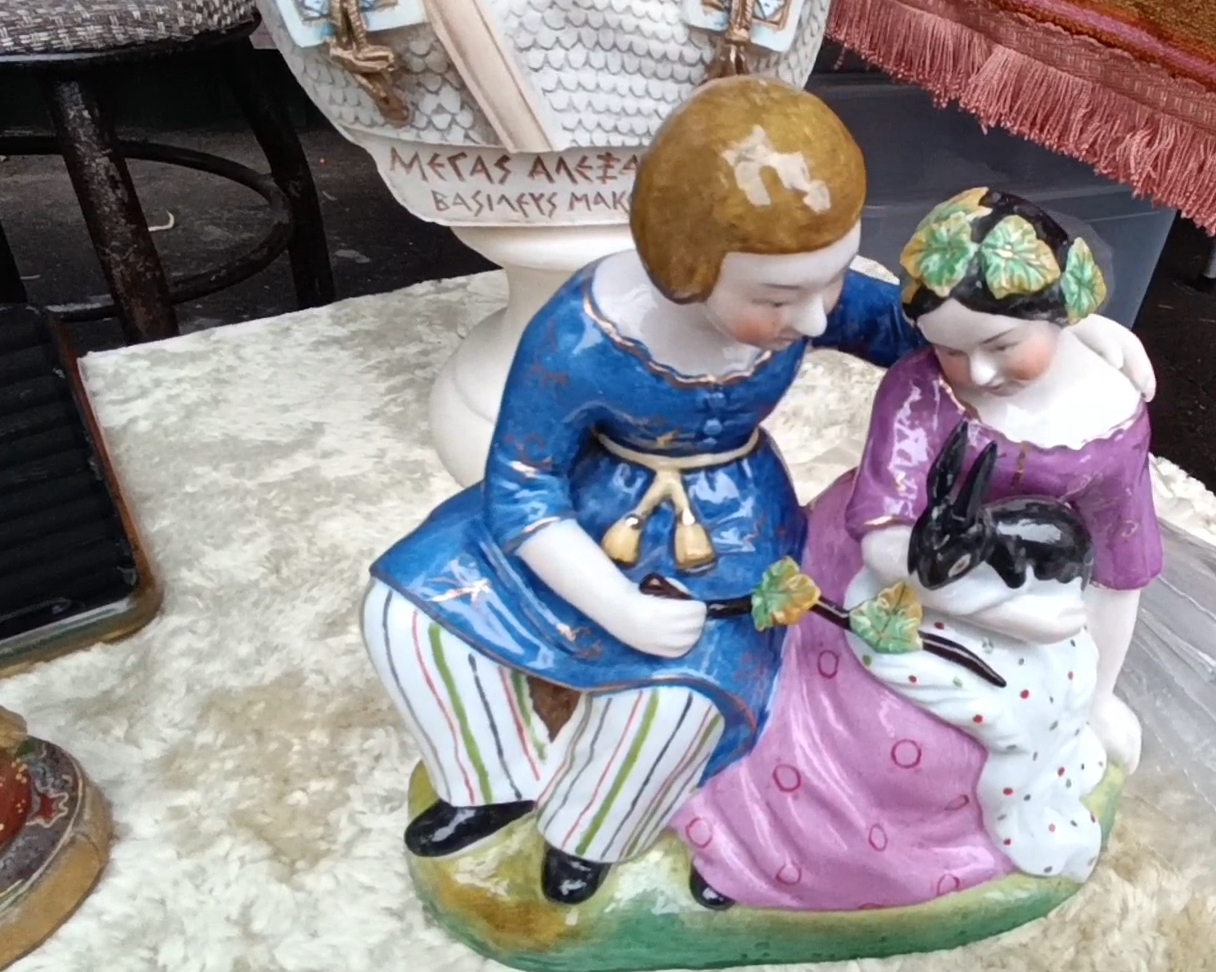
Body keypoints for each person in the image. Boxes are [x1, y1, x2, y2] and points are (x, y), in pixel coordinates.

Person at [359, 85, 1157, 909]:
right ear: (684, 267)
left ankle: (590, 835)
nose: (814, 320)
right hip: (586, 510)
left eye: (833, 281)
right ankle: (491, 779)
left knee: (678, 702)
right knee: (406, 611)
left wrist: (1062, 331)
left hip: (729, 529)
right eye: (776, 300)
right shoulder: (583, 334)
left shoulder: (808, 298)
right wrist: (614, 605)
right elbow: (523, 488)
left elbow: (927, 328)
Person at [673, 188, 1163, 910]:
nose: (979, 373)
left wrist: (1098, 697)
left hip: (1041, 605)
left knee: (1001, 745)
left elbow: (1124, 568)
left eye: (1002, 345)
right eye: (952, 350)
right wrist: (1005, 614)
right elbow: (884, 539)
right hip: (894, 583)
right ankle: (758, 847)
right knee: (885, 745)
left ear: (1061, 315)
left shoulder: (1111, 420)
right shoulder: (922, 390)